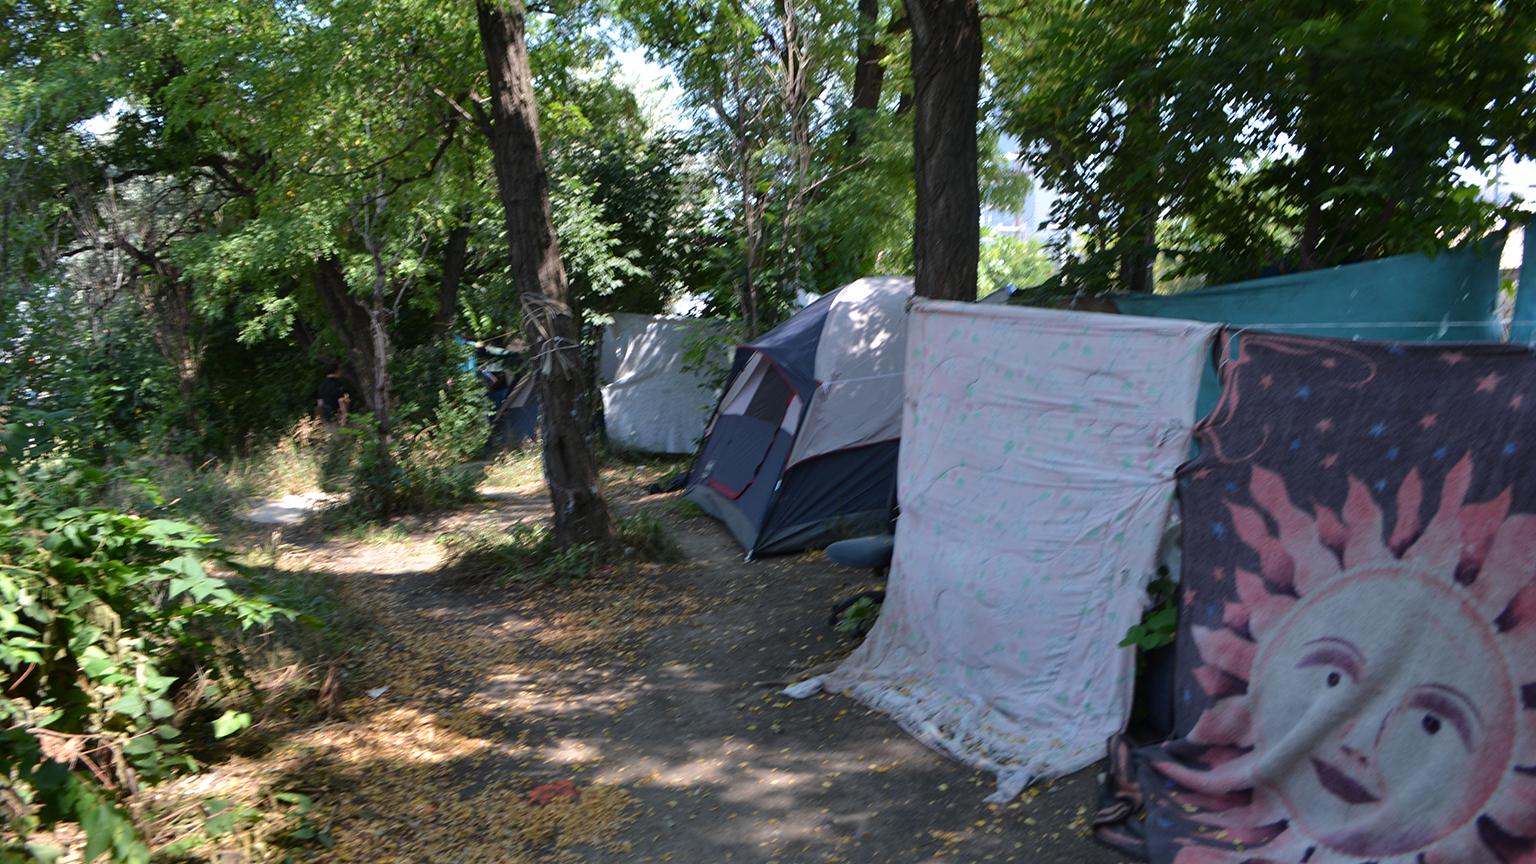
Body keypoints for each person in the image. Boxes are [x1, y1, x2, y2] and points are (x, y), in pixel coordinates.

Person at [315, 362, 353, 427]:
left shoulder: (321, 386)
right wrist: (344, 420)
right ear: (337, 371)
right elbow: (342, 401)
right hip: (339, 418)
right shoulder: (338, 384)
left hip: (327, 420)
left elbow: (320, 404)